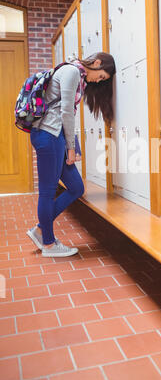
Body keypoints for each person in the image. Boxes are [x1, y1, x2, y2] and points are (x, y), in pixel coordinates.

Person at [27, 52, 116, 257]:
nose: (99, 80)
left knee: (76, 187)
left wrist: (73, 144)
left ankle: (41, 230)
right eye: (101, 76)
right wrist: (70, 147)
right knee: (48, 192)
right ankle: (48, 244)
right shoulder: (71, 71)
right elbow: (65, 111)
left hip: (55, 135)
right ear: (97, 63)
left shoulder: (79, 77)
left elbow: (68, 112)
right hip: (48, 135)